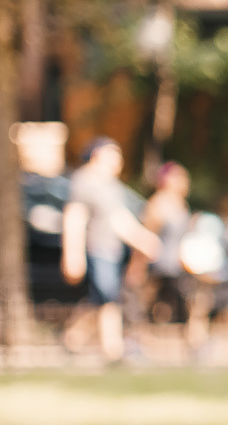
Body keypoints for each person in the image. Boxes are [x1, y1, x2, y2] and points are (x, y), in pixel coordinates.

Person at [61, 137, 159, 365]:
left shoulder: (111, 186)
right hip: (96, 248)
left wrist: (142, 239)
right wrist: (72, 253)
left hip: (113, 249)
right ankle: (113, 350)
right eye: (114, 154)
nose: (120, 160)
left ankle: (72, 337)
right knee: (108, 297)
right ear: (98, 155)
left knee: (101, 298)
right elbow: (74, 218)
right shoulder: (84, 181)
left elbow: (120, 219)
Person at [134, 161, 214, 348]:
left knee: (194, 303)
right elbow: (146, 236)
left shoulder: (180, 204)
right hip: (160, 266)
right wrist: (138, 266)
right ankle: (139, 341)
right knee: (147, 308)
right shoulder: (157, 204)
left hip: (179, 265)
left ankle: (196, 341)